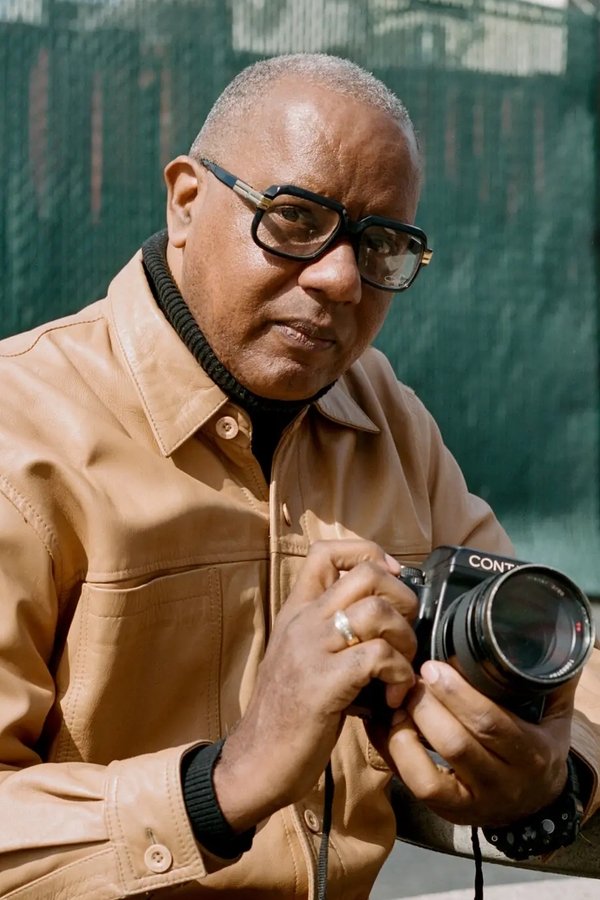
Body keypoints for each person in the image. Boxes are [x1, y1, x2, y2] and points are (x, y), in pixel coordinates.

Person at [0, 52, 598, 899]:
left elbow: (551, 663)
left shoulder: (385, 416)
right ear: (185, 202)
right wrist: (223, 783)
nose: (341, 277)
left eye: (382, 244)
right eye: (293, 219)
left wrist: (555, 778)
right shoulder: (19, 436)